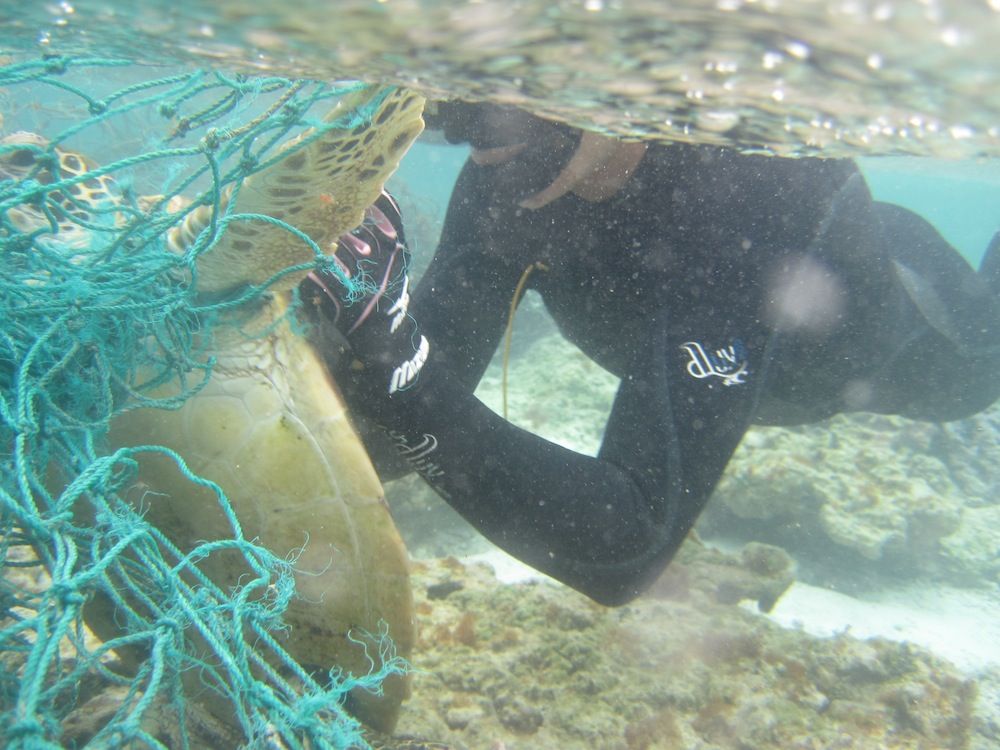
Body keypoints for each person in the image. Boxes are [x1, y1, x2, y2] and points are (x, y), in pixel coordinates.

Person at [301, 102, 1000, 607]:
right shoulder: (512, 174)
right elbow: (392, 440)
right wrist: (354, 333)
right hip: (849, 256)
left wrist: (395, 359)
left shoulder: (760, 189)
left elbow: (626, 548)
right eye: (465, 115)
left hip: (925, 336)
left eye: (516, 100)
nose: (489, 136)